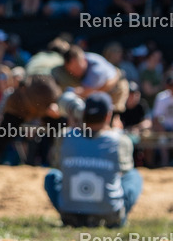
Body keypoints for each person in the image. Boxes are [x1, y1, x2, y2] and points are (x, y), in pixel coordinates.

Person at [44, 93, 142, 227]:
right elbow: (125, 169)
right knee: (133, 176)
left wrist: (73, 129)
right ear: (108, 116)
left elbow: (57, 165)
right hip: (109, 216)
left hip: (71, 214)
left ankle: (71, 216)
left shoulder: (65, 137)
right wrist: (116, 131)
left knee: (52, 176)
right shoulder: (120, 140)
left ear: (83, 113)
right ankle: (118, 219)